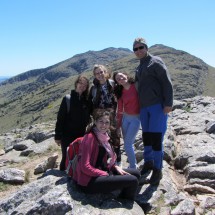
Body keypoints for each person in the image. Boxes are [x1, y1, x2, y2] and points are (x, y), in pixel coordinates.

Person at [73, 109, 140, 200]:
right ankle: (125, 202)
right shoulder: (90, 138)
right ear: (95, 122)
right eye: (101, 121)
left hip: (100, 171)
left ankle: (122, 192)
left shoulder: (104, 137)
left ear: (109, 124)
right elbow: (85, 167)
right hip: (88, 181)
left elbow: (101, 162)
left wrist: (114, 167)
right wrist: (105, 174)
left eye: (107, 122)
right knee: (133, 180)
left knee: (136, 173)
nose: (104, 125)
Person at [133, 37, 173, 185]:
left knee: (156, 138)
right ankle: (148, 162)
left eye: (141, 47)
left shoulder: (155, 62)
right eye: (135, 49)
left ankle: (158, 169)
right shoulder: (139, 67)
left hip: (157, 106)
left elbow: (166, 83)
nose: (138, 51)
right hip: (144, 108)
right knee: (147, 137)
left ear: (146, 47)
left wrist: (168, 103)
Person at [55, 75, 91, 171]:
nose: (82, 86)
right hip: (67, 135)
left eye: (85, 85)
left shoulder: (86, 101)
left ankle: (75, 175)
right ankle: (63, 175)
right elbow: (60, 118)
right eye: (81, 83)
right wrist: (58, 136)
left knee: (79, 156)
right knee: (66, 156)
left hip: (81, 135)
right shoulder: (68, 99)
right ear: (76, 84)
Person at [88, 64, 121, 165]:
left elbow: (120, 96)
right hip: (100, 116)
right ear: (95, 75)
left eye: (101, 72)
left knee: (115, 137)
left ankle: (118, 160)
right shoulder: (93, 88)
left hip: (112, 115)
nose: (100, 75)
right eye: (97, 73)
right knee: (101, 137)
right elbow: (90, 102)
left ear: (105, 72)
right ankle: (103, 160)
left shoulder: (113, 83)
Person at [113, 71, 140, 169]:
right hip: (125, 119)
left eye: (121, 76)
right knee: (128, 143)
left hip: (136, 119)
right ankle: (132, 164)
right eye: (118, 79)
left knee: (128, 144)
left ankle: (133, 166)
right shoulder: (120, 92)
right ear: (117, 82)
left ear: (126, 75)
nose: (120, 79)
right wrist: (118, 126)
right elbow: (120, 110)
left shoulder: (136, 86)